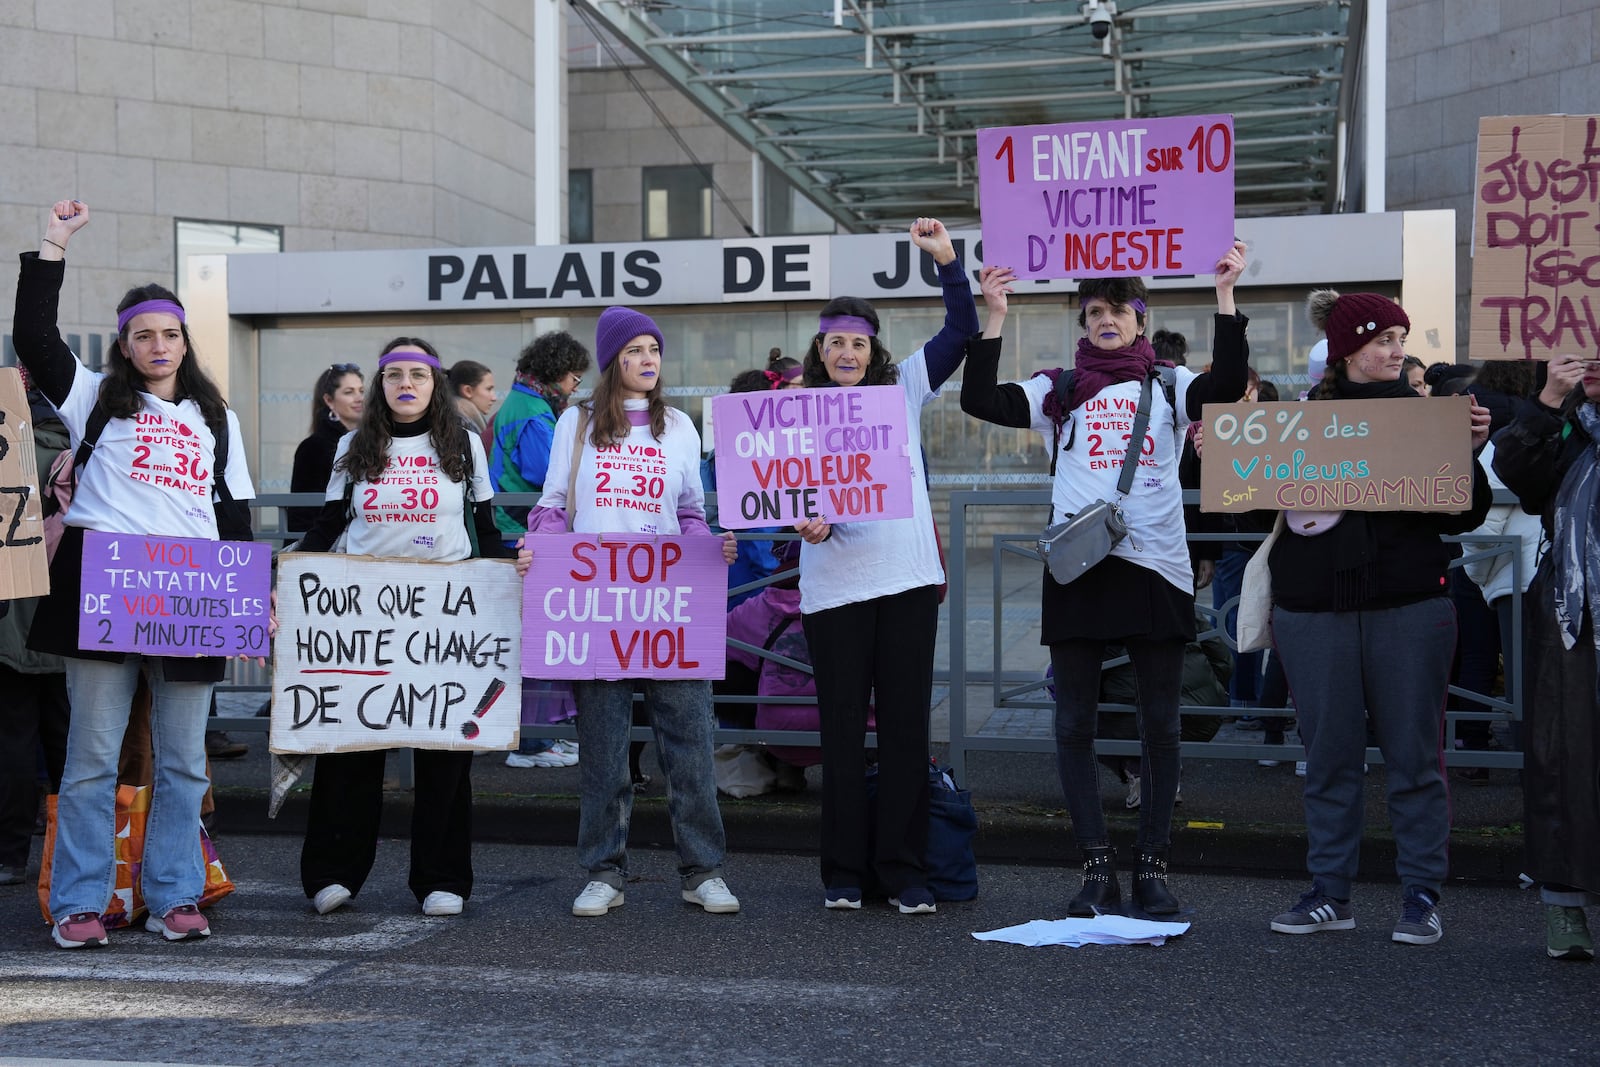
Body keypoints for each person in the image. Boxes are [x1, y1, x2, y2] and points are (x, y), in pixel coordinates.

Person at [962, 239, 1249, 918]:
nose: (1105, 319)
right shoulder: (1059, 388)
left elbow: (1228, 388)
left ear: (1141, 320)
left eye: (1118, 308)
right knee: (1073, 722)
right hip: (1079, 567)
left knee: (1160, 723)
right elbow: (980, 399)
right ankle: (1096, 870)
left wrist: (1226, 296)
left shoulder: (1169, 383)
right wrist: (994, 315)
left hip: (1155, 566)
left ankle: (1152, 867)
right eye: (1093, 310)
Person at [15, 198, 258, 948]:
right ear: (125, 344)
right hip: (105, 588)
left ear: (186, 341)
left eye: (170, 334)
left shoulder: (216, 419)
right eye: (143, 335)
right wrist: (52, 246)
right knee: (91, 756)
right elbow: (34, 337)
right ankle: (82, 902)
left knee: (186, 760)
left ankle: (175, 892)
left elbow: (235, 515)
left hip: (190, 591)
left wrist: (256, 598)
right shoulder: (93, 396)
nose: (158, 344)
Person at [1266, 289, 1491, 945]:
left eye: (1400, 337)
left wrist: (1468, 452)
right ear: (1347, 348)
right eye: (1382, 338)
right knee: (1329, 757)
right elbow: (1249, 502)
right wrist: (1212, 451)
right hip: (1315, 607)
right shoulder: (1301, 418)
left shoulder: (1430, 416)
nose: (1397, 350)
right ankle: (1330, 892)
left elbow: (1467, 512)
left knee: (1416, 757)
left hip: (1409, 604)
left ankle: (1421, 893)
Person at [295, 337, 523, 919]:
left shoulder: (464, 446)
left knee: (446, 750)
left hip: (444, 615)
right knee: (350, 744)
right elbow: (327, 525)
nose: (406, 384)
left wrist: (505, 566)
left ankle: (441, 878)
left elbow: (484, 527)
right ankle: (333, 872)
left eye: (418, 375)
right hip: (363, 613)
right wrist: (286, 576)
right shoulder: (352, 446)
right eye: (394, 374)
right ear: (380, 385)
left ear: (434, 383)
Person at [787, 217, 977, 916]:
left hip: (904, 582)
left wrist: (947, 262)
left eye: (858, 342)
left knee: (903, 730)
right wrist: (798, 519)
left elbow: (961, 330)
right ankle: (842, 871)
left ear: (873, 350)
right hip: (833, 587)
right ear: (820, 348)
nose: (846, 351)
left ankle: (904, 871)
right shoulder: (794, 409)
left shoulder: (905, 389)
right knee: (840, 731)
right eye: (835, 341)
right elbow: (779, 493)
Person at [528, 306, 741, 918]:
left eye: (654, 349)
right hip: (599, 607)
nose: (647, 360)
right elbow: (552, 503)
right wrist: (537, 549)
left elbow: (693, 511)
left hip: (671, 606)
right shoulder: (578, 420)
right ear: (611, 360)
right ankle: (603, 871)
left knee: (690, 745)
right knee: (603, 750)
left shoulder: (678, 425)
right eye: (633, 351)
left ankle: (703, 870)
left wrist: (712, 546)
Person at [1492, 351, 1600, 961]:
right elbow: (1521, 476)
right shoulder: (1568, 428)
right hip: (1572, 619)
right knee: (1566, 759)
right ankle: (1565, 908)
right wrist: (1551, 401)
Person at [489, 331, 592, 770]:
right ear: (556, 372)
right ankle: (532, 742)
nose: (575, 386)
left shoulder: (518, 402)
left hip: (514, 529)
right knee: (542, 641)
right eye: (574, 376)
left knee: (532, 640)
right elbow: (548, 471)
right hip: (526, 533)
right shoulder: (534, 412)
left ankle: (536, 737)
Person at [0, 369, 70, 888]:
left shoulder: (7, 457)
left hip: (10, 618)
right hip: (70, 617)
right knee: (72, 741)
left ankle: (9, 853)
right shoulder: (76, 452)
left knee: (13, 739)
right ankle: (76, 849)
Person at [288, 363, 365, 534]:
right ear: (329, 400)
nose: (359, 398)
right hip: (327, 547)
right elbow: (302, 513)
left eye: (361, 391)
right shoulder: (313, 447)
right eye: (349, 392)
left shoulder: (371, 442)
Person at [447, 359, 497, 438]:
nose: (494, 398)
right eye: (488, 389)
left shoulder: (455, 419)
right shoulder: (460, 425)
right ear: (467, 391)